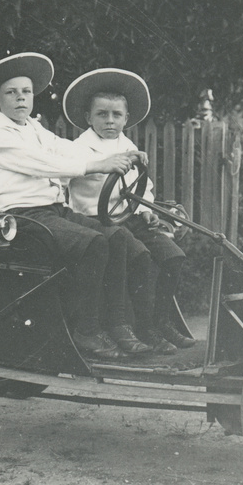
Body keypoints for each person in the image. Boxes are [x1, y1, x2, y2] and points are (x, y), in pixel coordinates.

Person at [0, 52, 152, 360]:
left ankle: (118, 323)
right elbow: (45, 163)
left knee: (117, 236)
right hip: (20, 217)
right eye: (11, 93)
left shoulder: (31, 127)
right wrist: (98, 164)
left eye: (26, 91)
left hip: (51, 211)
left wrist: (115, 156)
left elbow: (63, 148)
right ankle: (87, 330)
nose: (21, 98)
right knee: (93, 243)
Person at [63, 68, 197, 353]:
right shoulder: (78, 149)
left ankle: (162, 322)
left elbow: (140, 184)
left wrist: (146, 207)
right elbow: (59, 180)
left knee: (172, 256)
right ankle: (142, 329)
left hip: (130, 216)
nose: (110, 121)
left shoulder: (127, 145)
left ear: (126, 118)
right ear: (88, 117)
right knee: (141, 258)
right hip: (96, 221)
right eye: (102, 114)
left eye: (116, 115)